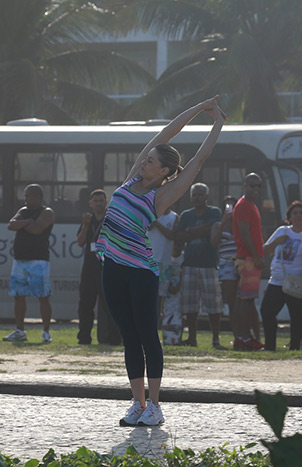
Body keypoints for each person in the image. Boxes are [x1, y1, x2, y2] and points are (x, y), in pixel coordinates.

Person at [96, 96, 225, 427]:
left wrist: (218, 123)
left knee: (147, 336)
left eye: (151, 161)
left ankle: (154, 405)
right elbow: (167, 132)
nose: (145, 161)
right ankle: (137, 403)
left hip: (140, 272)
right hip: (112, 267)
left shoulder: (163, 195)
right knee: (128, 335)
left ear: (164, 170)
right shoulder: (130, 180)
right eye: (146, 158)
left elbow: (198, 160)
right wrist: (200, 106)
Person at [3, 184, 56, 343]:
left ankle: (46, 332)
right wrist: (28, 221)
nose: (26, 199)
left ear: (39, 197)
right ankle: (20, 331)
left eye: (29, 196)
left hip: (38, 260)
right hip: (20, 259)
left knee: (43, 296)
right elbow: (11, 225)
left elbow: (37, 229)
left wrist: (24, 224)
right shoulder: (24, 211)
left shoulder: (47, 212)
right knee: (18, 296)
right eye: (25, 196)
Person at [174, 183, 224, 347]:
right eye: (194, 195)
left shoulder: (214, 212)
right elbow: (180, 235)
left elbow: (212, 228)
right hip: (189, 264)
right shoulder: (186, 215)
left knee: (213, 304)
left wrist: (190, 231)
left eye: (200, 194)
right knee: (190, 304)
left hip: (209, 264)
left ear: (206, 196)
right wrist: (198, 230)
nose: (197, 198)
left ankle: (215, 339)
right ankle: (192, 338)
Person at [260, 201, 302, 351]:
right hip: (277, 280)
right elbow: (265, 251)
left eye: (301, 213)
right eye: (294, 213)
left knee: (297, 316)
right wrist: (277, 242)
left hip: (296, 280)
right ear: (289, 217)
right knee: (267, 311)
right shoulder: (282, 231)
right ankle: (270, 346)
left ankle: (295, 347)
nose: (298, 216)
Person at [75, 189, 120, 345]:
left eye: (102, 201)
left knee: (110, 305)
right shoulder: (88, 220)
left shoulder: (112, 220)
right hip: (89, 269)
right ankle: (84, 338)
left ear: (106, 203)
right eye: (96, 201)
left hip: (107, 268)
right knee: (85, 305)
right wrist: (86, 225)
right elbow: (80, 242)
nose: (99, 203)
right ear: (91, 203)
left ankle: (114, 338)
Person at [232, 173, 265, 351]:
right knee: (246, 300)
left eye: (259, 186)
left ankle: (243, 337)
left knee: (247, 300)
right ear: (245, 186)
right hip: (248, 258)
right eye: (252, 185)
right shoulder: (244, 205)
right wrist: (257, 256)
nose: (256, 189)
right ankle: (243, 338)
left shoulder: (249, 205)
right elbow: (244, 234)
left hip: (247, 257)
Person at [210, 195, 240, 339]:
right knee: (231, 301)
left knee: (243, 301)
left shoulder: (240, 223)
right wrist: (223, 223)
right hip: (226, 264)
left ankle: (242, 334)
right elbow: (214, 243)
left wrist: (234, 222)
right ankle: (235, 336)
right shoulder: (218, 225)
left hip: (240, 263)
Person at [148, 206, 179, 316]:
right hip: (148, 262)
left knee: (159, 298)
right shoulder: (149, 213)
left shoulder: (174, 217)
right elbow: (146, 228)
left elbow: (172, 236)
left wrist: (157, 223)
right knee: (146, 296)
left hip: (165, 263)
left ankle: (157, 325)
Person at [160, 241, 184, 345]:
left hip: (179, 291)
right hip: (168, 290)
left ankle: (178, 338)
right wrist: (168, 286)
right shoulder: (167, 257)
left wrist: (178, 286)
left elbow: (183, 273)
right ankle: (166, 338)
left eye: (180, 244)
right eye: (176, 244)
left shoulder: (183, 258)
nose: (177, 247)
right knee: (166, 315)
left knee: (179, 315)